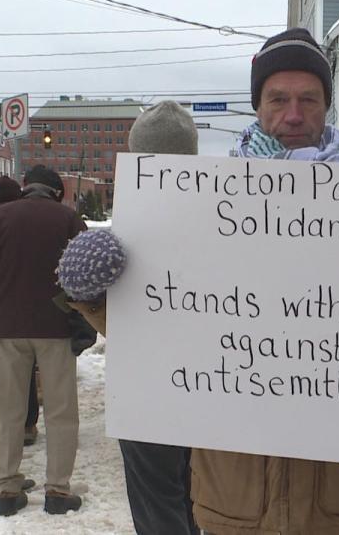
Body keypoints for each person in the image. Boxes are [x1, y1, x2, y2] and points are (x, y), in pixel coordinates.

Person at [191, 28, 339, 535]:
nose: (294, 114)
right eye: (278, 99)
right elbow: (160, 324)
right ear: (257, 107)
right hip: (237, 498)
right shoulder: (202, 208)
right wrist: (97, 294)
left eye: (309, 99)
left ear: (329, 106)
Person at [0, 165, 86, 516]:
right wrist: (83, 323)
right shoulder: (68, 220)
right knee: (60, 412)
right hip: (56, 327)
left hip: (9, 327)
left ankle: (6, 489)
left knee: (8, 410)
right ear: (56, 191)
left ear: (25, 188)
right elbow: (84, 276)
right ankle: (57, 490)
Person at [115, 101, 200, 535]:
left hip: (148, 387)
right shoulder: (230, 216)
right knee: (194, 491)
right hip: (212, 380)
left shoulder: (128, 224)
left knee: (158, 502)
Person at [0, 176, 42, 447]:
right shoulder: (31, 226)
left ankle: (11, 430)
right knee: (29, 372)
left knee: (10, 378)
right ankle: (28, 424)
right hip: (36, 313)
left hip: (2, 314)